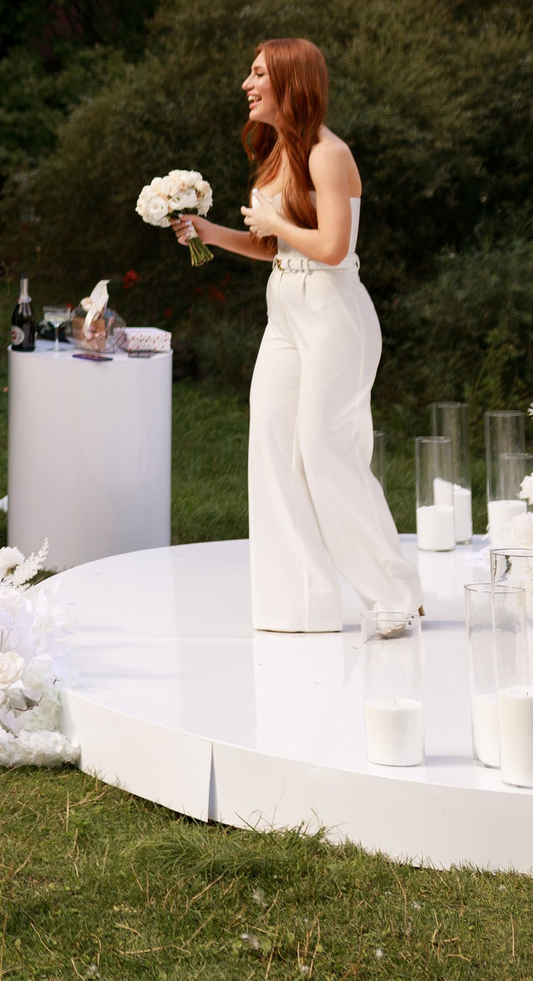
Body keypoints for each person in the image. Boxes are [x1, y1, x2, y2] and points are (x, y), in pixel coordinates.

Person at [174, 38, 421, 632]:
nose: (246, 83)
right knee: (274, 442)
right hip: (286, 309)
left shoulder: (328, 153)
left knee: (324, 450)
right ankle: (300, 603)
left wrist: (277, 222)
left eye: (258, 73)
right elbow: (270, 245)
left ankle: (394, 594)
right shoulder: (279, 153)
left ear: (290, 82)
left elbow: (335, 247)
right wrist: (208, 230)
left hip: (334, 311)